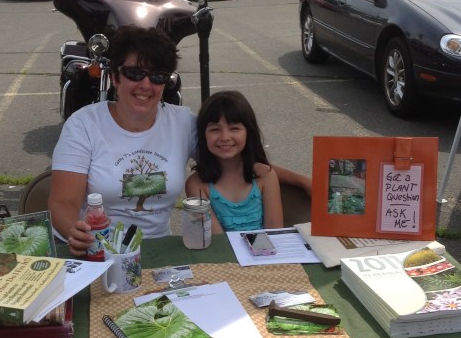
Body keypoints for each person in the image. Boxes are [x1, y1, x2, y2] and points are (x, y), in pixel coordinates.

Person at [48, 26, 310, 257]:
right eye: (134, 73)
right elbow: (63, 203)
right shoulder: (84, 125)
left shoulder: (183, 123)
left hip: (158, 249)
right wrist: (76, 232)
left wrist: (302, 181)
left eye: (158, 76)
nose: (146, 84)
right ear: (115, 77)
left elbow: (238, 160)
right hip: (95, 249)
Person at [186, 91, 283, 234]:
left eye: (234, 128)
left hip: (265, 254)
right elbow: (218, 242)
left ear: (248, 132)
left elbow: (276, 233)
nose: (225, 137)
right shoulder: (196, 185)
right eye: (215, 129)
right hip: (222, 255)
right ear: (203, 135)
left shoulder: (266, 176)